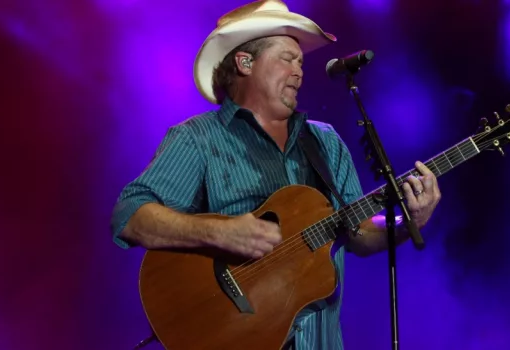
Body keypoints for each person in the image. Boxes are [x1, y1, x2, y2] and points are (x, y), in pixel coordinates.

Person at [110, 0, 442, 349]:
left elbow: (357, 232)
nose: (300, 71)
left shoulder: (325, 141)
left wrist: (407, 222)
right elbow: (129, 216)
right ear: (245, 62)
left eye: (301, 62)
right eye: (287, 58)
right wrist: (221, 232)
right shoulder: (197, 139)